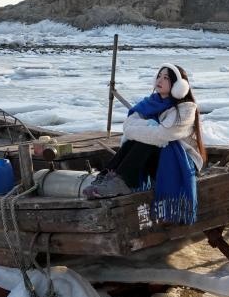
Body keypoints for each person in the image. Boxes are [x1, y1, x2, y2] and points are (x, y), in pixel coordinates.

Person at [83, 63, 207, 224]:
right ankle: (111, 176)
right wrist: (150, 127)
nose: (160, 80)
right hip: (156, 160)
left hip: (180, 163)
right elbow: (128, 126)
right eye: (159, 76)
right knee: (141, 138)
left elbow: (164, 135)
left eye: (166, 78)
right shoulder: (149, 103)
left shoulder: (185, 109)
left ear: (178, 86)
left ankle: (122, 182)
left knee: (147, 141)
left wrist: (145, 128)